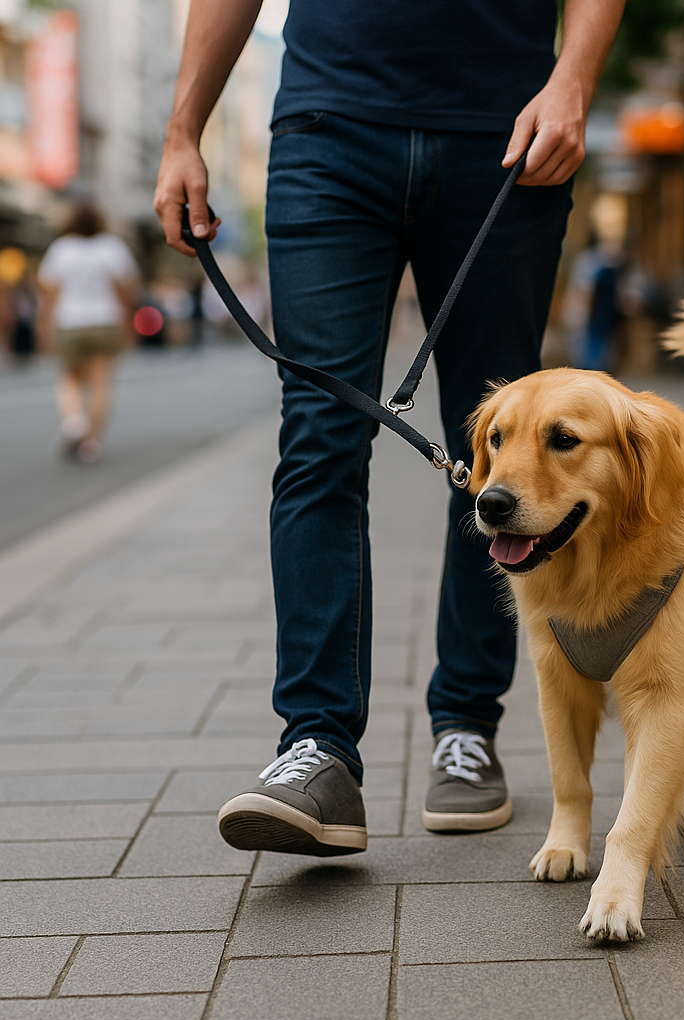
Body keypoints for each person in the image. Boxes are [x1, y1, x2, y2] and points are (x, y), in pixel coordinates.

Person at [154, 0, 625, 856]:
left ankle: (468, 729)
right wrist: (183, 130)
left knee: (500, 453)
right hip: (328, 135)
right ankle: (317, 747)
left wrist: (574, 81)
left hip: (508, 137)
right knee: (319, 440)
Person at [36, 201, 139, 463]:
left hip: (69, 321)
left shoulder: (61, 249)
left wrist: (43, 325)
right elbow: (127, 290)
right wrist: (128, 323)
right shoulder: (112, 248)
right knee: (100, 381)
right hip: (105, 320)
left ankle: (74, 422)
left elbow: (49, 292)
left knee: (70, 378)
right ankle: (91, 443)